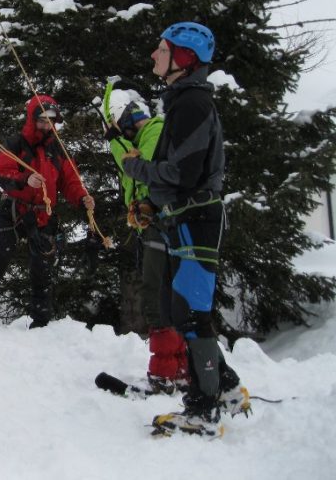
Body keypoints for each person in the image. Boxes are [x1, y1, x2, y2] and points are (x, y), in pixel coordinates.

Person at [121, 22, 250, 437]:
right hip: (186, 217)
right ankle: (225, 389)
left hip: (197, 219)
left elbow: (183, 171)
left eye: (161, 49)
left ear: (184, 58)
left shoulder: (192, 103)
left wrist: (135, 167)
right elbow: (181, 174)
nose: (154, 56)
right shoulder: (183, 101)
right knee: (184, 309)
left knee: (191, 314)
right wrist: (151, 203)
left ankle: (203, 410)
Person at [0, 95, 95, 333]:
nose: (47, 125)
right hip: (13, 210)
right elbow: (1, 172)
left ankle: (41, 324)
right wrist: (26, 179)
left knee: (42, 271)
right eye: (42, 120)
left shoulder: (58, 150)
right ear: (32, 119)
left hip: (43, 214)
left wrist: (81, 197)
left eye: (51, 121)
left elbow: (70, 181)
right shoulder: (16, 143)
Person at [103, 84, 188, 393]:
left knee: (157, 295)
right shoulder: (147, 135)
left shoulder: (155, 131)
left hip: (162, 225)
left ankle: (168, 372)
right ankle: (176, 368)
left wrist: (117, 143)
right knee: (164, 294)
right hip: (155, 225)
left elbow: (140, 170)